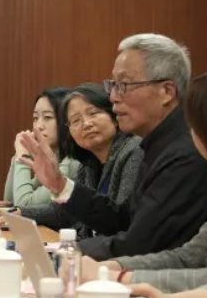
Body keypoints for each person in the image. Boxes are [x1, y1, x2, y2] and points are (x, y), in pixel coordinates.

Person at [20, 33, 207, 260]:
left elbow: (141, 244)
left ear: (166, 92)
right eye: (113, 85)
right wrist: (58, 184)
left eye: (124, 85)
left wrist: (69, 251)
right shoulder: (155, 145)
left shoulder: (185, 152)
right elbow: (122, 219)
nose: (113, 97)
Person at [89, 66, 207, 292]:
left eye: (196, 123)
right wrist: (116, 266)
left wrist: (120, 278)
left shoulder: (188, 158)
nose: (191, 131)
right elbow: (191, 256)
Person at [13, 84, 143, 231]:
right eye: (76, 120)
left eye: (93, 113)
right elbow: (65, 213)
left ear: (113, 116)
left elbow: (122, 222)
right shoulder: (87, 165)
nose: (86, 124)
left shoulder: (133, 151)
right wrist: (18, 212)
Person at [4, 87, 80, 210]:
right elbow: (8, 203)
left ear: (66, 120)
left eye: (47, 117)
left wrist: (23, 157)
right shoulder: (54, 159)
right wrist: (18, 156)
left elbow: (24, 206)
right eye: (35, 118)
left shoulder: (73, 163)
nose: (38, 126)